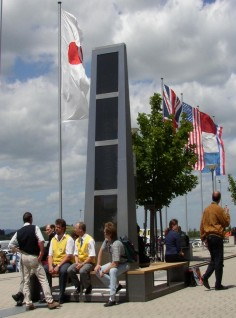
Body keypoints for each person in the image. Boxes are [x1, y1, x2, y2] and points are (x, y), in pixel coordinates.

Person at [8, 212, 60, 311]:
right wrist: (41, 252)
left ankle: (28, 302)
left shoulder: (18, 232)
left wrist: (19, 250)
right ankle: (50, 301)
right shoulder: (35, 228)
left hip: (24, 257)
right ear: (31, 219)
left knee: (26, 280)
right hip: (33, 256)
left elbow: (11, 245)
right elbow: (41, 240)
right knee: (43, 279)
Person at [94, 222, 130, 307]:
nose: (103, 233)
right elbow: (100, 251)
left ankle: (112, 298)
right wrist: (98, 264)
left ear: (109, 234)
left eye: (104, 232)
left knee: (112, 271)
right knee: (97, 270)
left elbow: (115, 264)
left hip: (124, 264)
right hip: (115, 263)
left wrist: (105, 271)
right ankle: (116, 287)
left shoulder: (116, 244)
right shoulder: (107, 241)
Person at [200, 191, 230, 290]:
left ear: (212, 198)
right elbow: (226, 223)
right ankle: (218, 284)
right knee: (218, 261)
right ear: (219, 198)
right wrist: (226, 212)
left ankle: (205, 277)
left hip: (209, 237)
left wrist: (203, 237)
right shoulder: (219, 209)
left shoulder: (206, 210)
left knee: (213, 259)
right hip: (217, 237)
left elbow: (202, 225)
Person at [44, 218, 74, 304]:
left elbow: (68, 256)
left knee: (63, 271)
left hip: (65, 262)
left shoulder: (69, 239)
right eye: (56, 227)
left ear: (63, 228)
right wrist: (50, 266)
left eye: (58, 227)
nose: (56, 229)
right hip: (54, 262)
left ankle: (61, 295)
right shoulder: (53, 239)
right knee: (45, 269)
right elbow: (50, 255)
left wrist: (58, 266)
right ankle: (48, 295)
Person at [67, 222, 96, 295]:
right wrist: (77, 263)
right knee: (70, 270)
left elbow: (91, 256)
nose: (74, 230)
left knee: (82, 271)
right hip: (80, 262)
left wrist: (82, 264)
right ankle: (79, 286)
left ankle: (88, 286)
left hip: (89, 262)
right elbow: (76, 254)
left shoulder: (90, 240)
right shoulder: (77, 240)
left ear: (80, 229)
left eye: (76, 228)